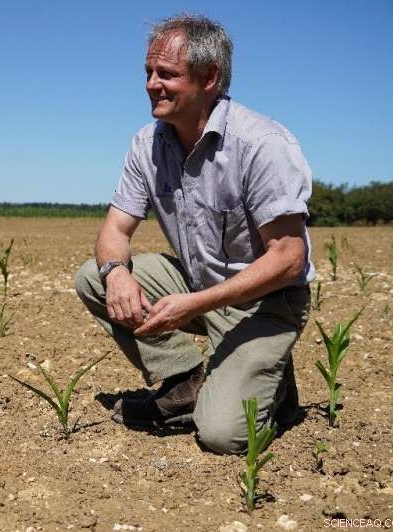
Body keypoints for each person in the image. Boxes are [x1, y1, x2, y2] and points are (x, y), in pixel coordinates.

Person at [74, 13, 314, 454]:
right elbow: (114, 228)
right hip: (198, 286)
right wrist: (116, 274)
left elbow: (288, 259)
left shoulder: (261, 143)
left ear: (209, 77)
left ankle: (274, 384)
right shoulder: (147, 143)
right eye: (148, 72)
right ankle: (186, 382)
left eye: (166, 74)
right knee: (94, 275)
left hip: (265, 302)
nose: (151, 84)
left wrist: (195, 305)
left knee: (223, 436)